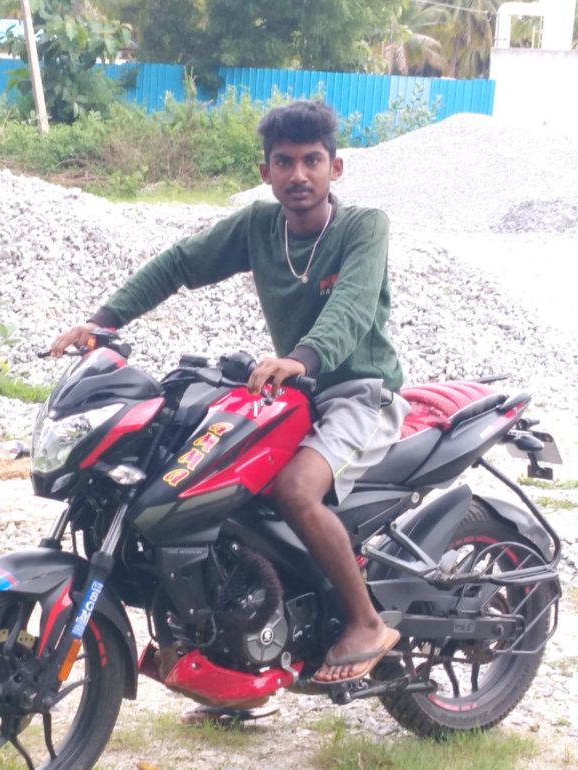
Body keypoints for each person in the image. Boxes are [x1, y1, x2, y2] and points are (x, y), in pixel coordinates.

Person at [51, 100, 410, 686]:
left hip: (360, 393)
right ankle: (236, 648)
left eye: (312, 160)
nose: (299, 174)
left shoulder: (363, 227)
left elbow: (351, 307)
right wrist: (104, 321)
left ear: (336, 167)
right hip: (297, 391)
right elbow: (179, 264)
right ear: (266, 171)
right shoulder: (258, 227)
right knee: (219, 483)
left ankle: (366, 622)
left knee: (295, 490)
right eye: (284, 162)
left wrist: (299, 359)